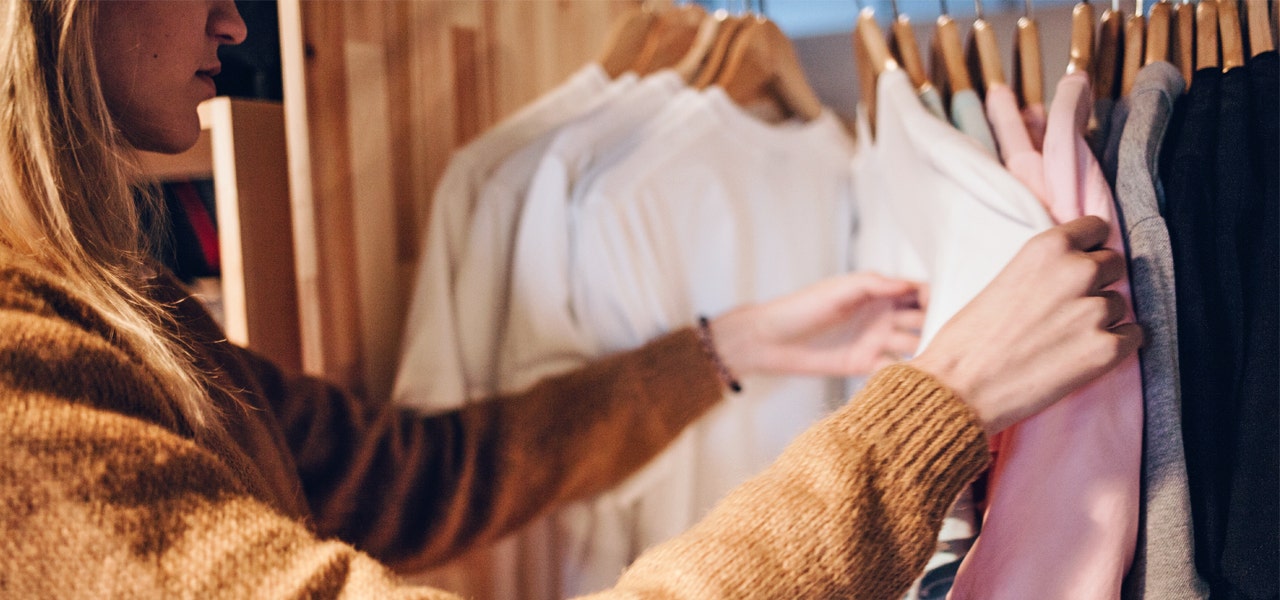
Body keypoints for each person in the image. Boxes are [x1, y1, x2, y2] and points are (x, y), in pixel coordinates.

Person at [0, 1, 1142, 598]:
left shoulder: (117, 303)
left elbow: (413, 479)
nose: (236, 21)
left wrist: (720, 348)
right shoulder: (20, 378)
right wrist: (937, 404)